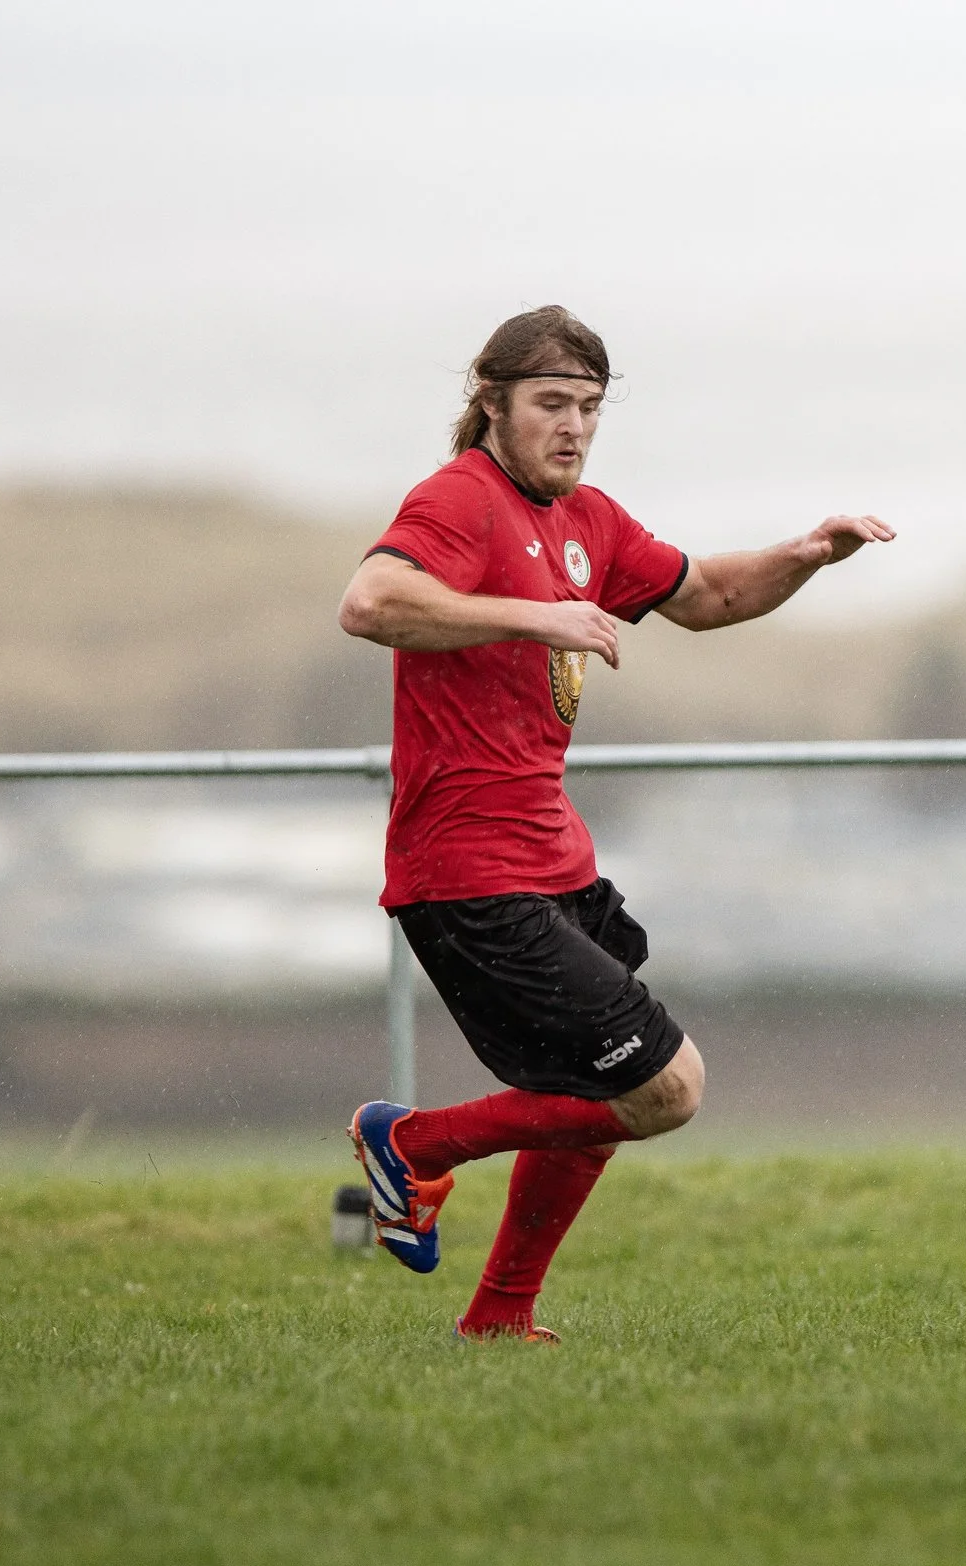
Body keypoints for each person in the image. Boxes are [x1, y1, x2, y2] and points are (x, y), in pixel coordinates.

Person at [337, 305, 892, 1341]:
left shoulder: (588, 518)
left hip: (555, 864)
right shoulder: (459, 499)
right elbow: (370, 602)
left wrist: (808, 554)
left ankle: (500, 1315)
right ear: (490, 404)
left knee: (603, 1080)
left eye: (589, 407)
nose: (574, 428)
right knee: (664, 1088)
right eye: (551, 404)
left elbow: (710, 597)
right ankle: (411, 1144)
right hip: (464, 873)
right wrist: (531, 613)